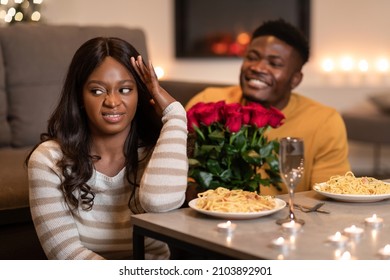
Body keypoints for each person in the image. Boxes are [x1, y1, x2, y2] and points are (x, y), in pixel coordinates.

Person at [25, 37, 188, 260]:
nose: (112, 101)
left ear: (140, 95)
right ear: (80, 97)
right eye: (97, 91)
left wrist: (176, 115)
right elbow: (66, 254)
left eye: (125, 89)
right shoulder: (47, 159)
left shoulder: (159, 151)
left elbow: (158, 202)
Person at [185, 19, 351, 195]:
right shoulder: (208, 103)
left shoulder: (324, 122)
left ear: (295, 79)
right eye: (252, 57)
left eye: (275, 64)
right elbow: (176, 174)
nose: (257, 67)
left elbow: (331, 198)